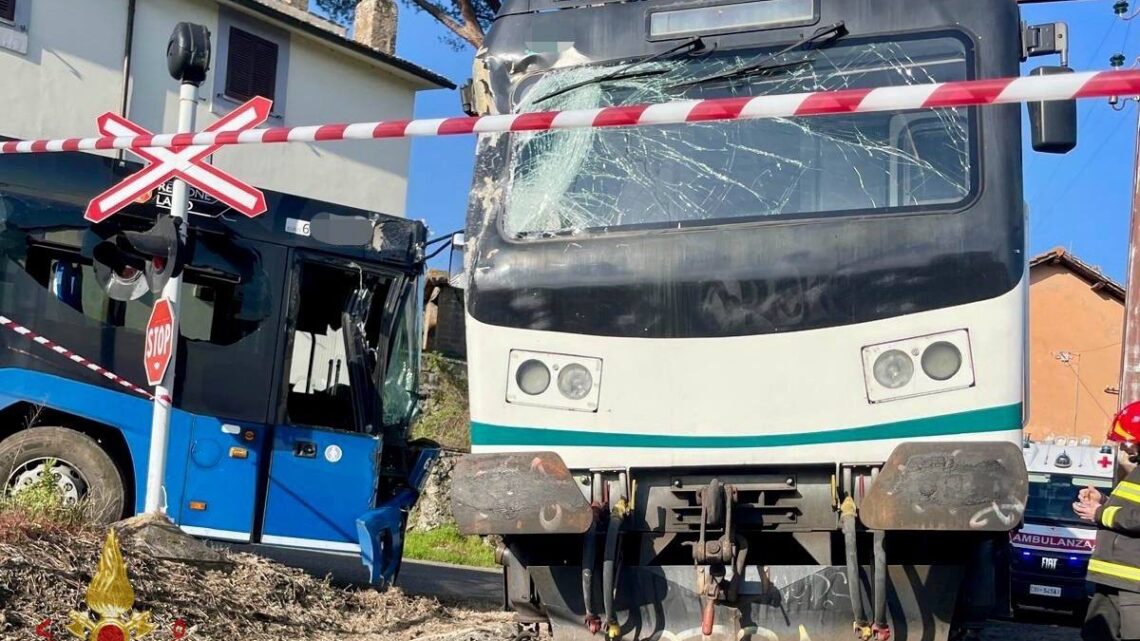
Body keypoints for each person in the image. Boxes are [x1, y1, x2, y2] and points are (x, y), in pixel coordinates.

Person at [1074, 401, 1140, 641]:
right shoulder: (1137, 471)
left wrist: (1100, 513)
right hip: (1113, 578)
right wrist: (1102, 500)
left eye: (1128, 440)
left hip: (1133, 584)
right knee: (1096, 635)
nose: (1124, 445)